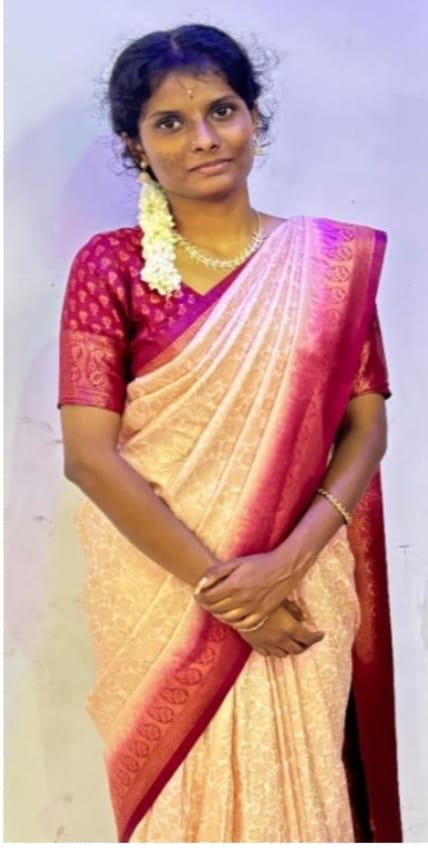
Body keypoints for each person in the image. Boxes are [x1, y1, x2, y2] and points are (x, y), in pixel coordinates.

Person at [58, 24, 402, 843]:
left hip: (300, 582)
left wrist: (287, 564)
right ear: (135, 144)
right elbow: (89, 457)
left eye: (221, 110)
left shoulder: (329, 264)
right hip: (162, 585)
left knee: (302, 787)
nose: (203, 138)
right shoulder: (110, 267)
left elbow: (366, 427)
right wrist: (232, 599)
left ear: (254, 116)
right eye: (169, 123)